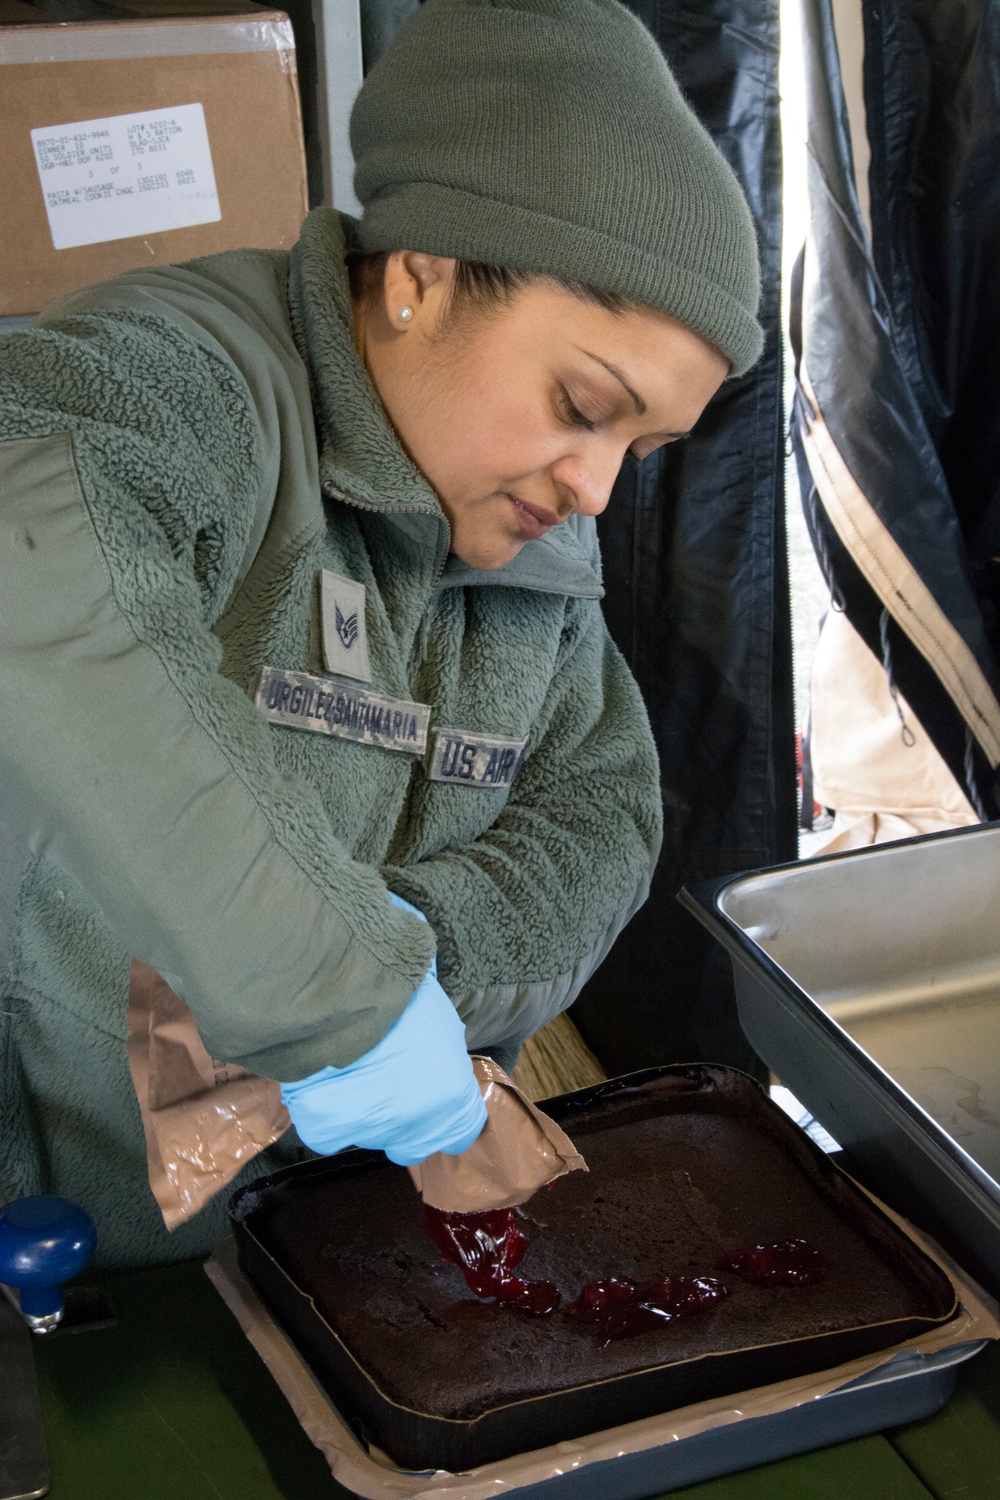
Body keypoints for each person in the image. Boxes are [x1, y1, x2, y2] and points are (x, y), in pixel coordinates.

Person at [0, 0, 762, 1266]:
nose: (595, 488)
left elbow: (600, 810)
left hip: (326, 1257)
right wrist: (337, 998)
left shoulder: (531, 548)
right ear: (419, 276)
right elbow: (34, 568)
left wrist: (416, 955)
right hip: (62, 1269)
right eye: (582, 405)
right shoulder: (184, 382)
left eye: (641, 448)